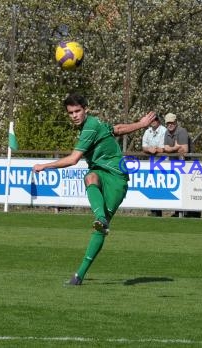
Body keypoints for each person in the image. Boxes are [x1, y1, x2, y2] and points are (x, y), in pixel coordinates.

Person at [33, 92, 155, 285]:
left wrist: (45, 166)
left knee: (99, 228)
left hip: (116, 178)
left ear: (85, 110)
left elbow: (73, 159)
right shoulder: (93, 124)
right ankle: (80, 271)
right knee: (90, 177)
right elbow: (117, 129)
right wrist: (140, 124)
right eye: (70, 112)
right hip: (99, 172)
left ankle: (80, 273)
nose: (74, 115)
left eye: (77, 111)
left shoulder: (89, 128)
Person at [163, 113, 198, 217]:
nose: (170, 124)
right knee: (178, 190)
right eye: (168, 123)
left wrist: (171, 149)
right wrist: (175, 147)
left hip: (189, 164)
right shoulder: (166, 132)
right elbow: (166, 148)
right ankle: (178, 212)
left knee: (190, 189)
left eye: (172, 122)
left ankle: (193, 213)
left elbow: (184, 150)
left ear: (176, 122)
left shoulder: (182, 131)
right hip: (176, 164)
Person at [142, 113, 166, 217]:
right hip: (152, 163)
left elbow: (162, 148)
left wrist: (154, 149)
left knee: (163, 188)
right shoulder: (148, 131)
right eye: (151, 120)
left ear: (158, 120)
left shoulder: (164, 130)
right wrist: (149, 149)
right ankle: (155, 212)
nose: (153, 121)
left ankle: (171, 211)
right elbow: (144, 147)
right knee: (153, 186)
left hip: (164, 163)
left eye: (155, 119)